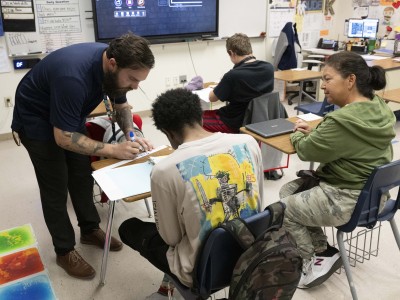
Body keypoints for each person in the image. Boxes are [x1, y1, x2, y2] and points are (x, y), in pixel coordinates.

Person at [11, 32, 155, 280]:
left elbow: (121, 106)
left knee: (81, 173)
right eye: (132, 79)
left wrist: (130, 135)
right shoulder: (73, 77)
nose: (135, 86)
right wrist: (113, 149)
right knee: (56, 184)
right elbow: (62, 138)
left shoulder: (114, 67)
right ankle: (64, 249)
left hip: (68, 115)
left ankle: (89, 230)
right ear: (112, 64)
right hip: (36, 120)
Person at [118, 88, 264, 299]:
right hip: (250, 252)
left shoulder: (163, 171)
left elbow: (171, 238)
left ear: (167, 132)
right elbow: (257, 204)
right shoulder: (248, 143)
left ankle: (175, 286)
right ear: (201, 116)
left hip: (201, 271)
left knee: (129, 228)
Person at [279, 51, 396, 289]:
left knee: (283, 209)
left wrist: (297, 134)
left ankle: (308, 261)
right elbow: (349, 142)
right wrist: (320, 134)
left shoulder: (341, 121)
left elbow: (307, 152)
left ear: (350, 80)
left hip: (345, 200)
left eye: (328, 79)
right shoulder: (380, 106)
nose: (322, 86)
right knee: (288, 190)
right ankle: (324, 250)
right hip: (376, 197)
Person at [203, 33, 274, 134]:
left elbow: (212, 98)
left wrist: (221, 84)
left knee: (195, 120)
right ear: (250, 49)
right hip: (260, 120)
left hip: (234, 122)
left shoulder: (232, 75)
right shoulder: (269, 68)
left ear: (231, 53)